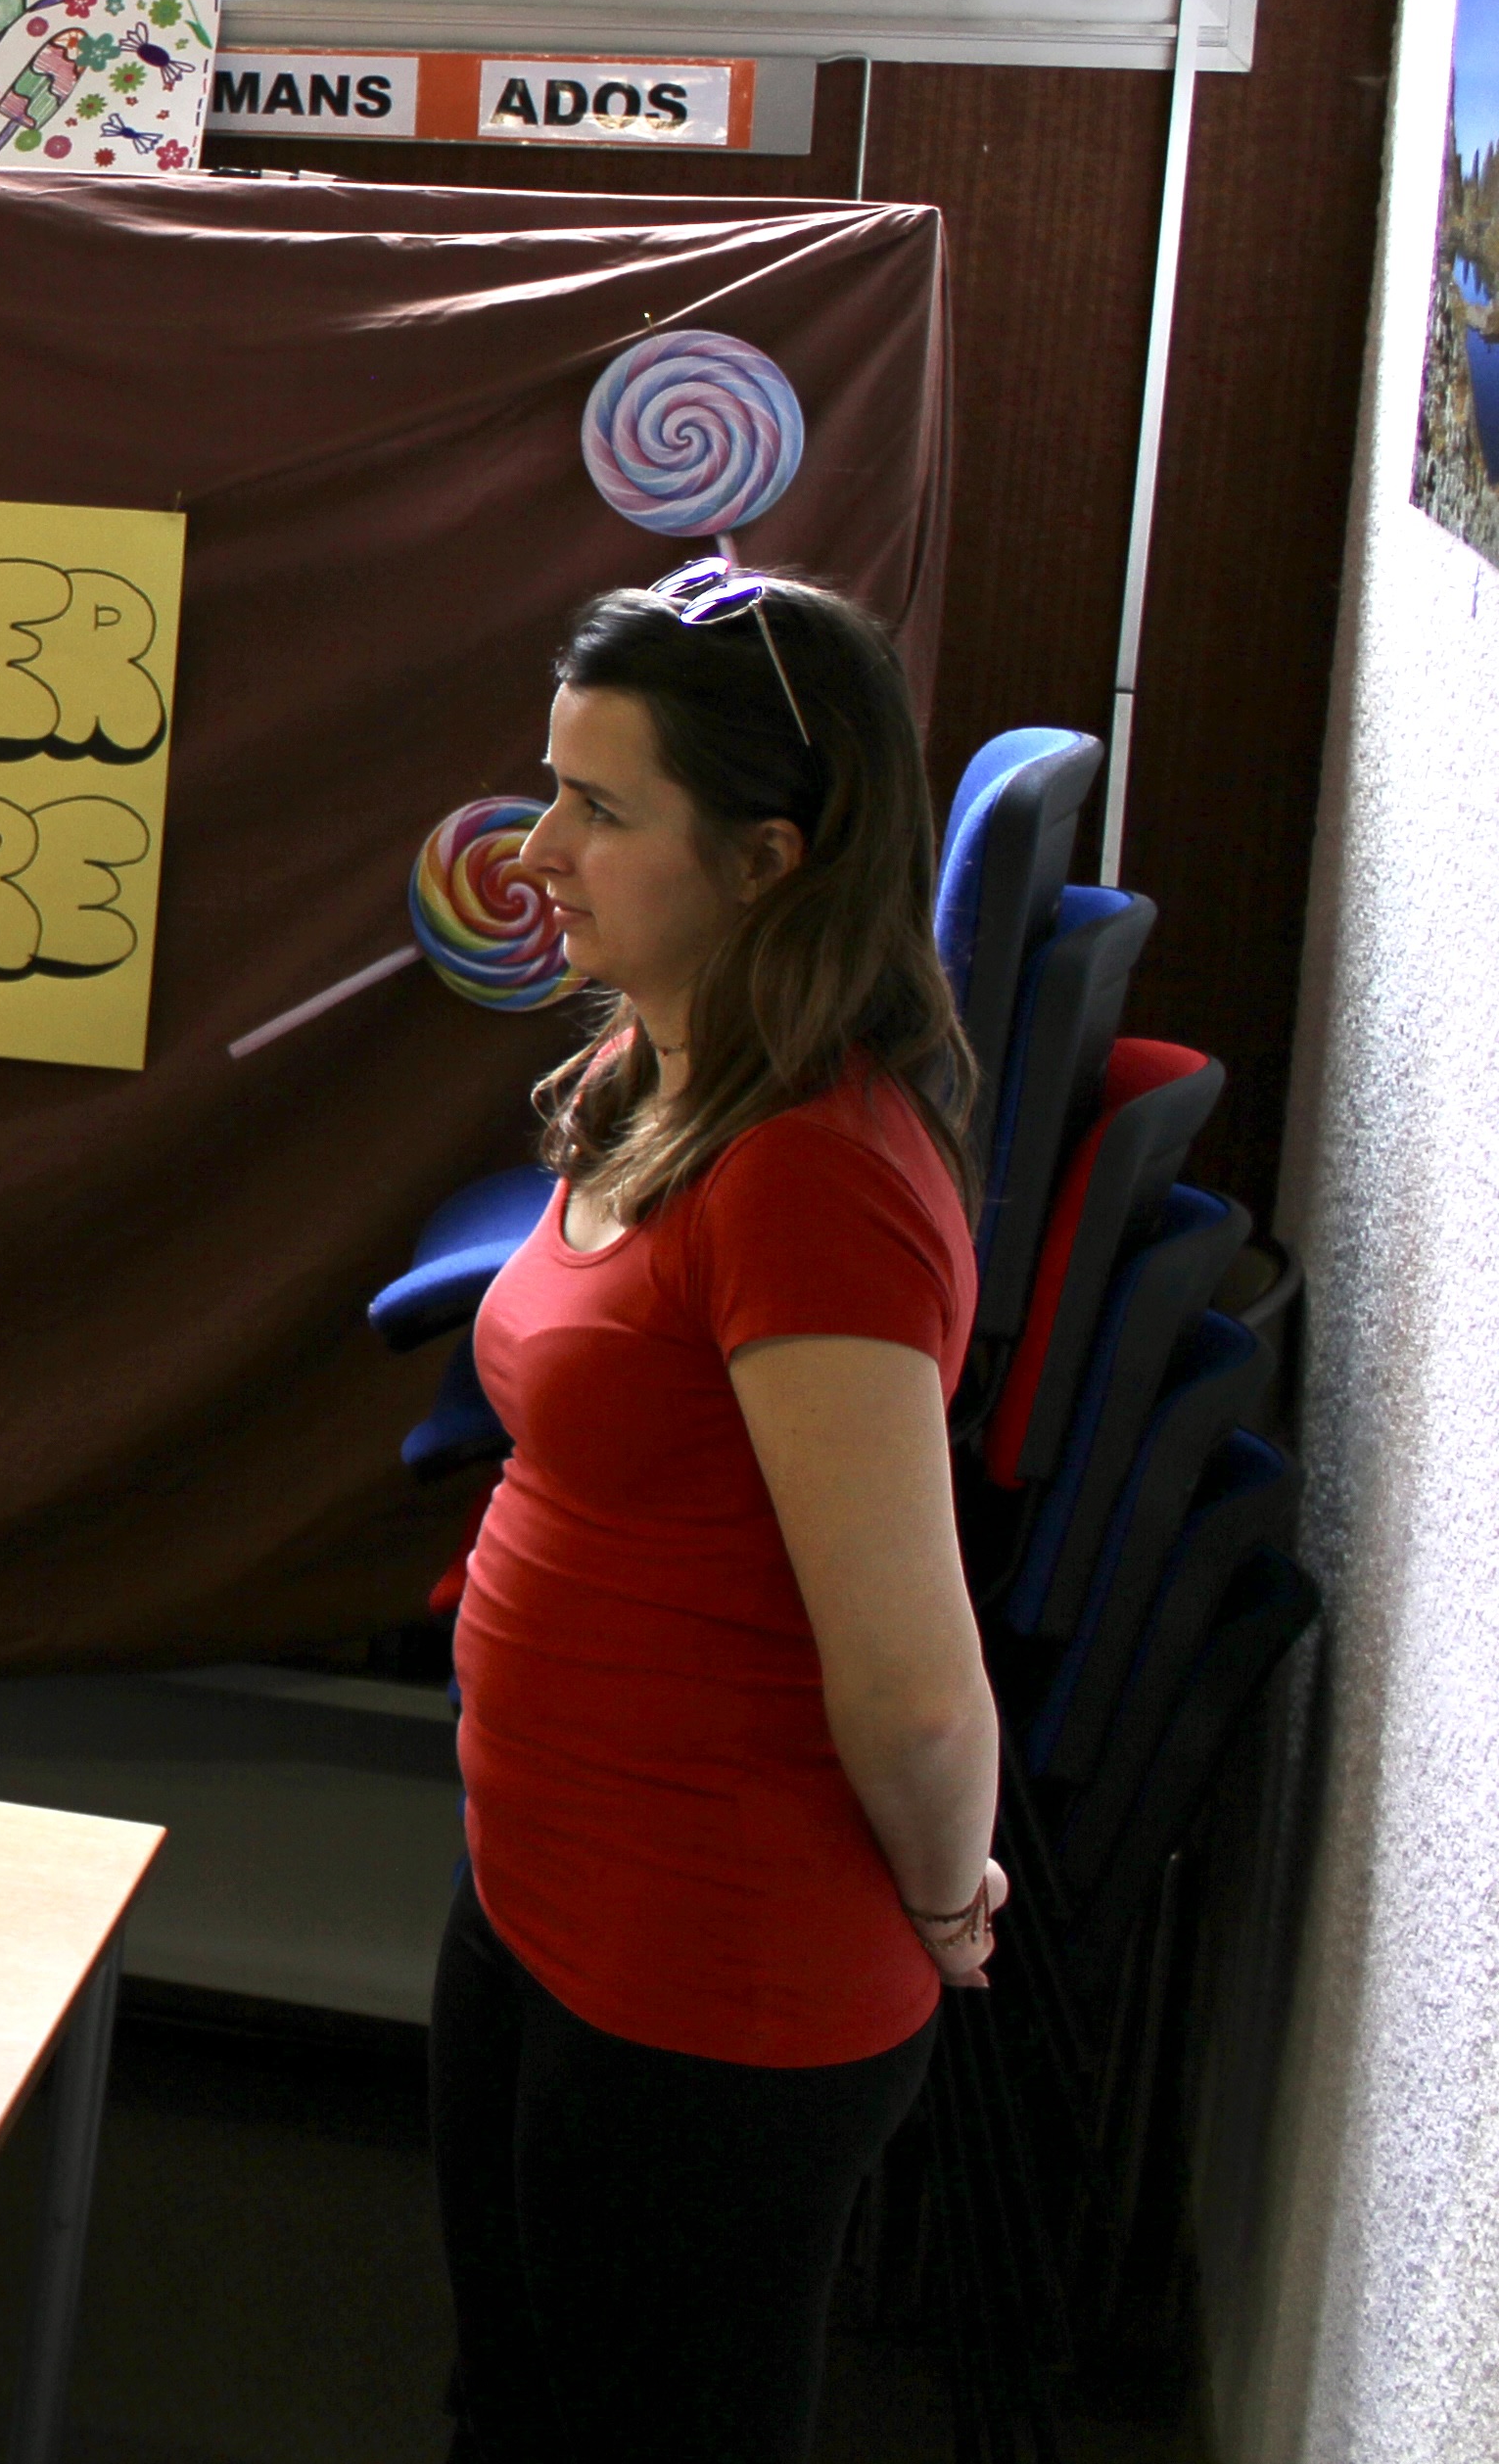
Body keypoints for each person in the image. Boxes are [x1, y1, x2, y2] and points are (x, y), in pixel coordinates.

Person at [436, 560, 1001, 2464]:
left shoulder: (817, 1180)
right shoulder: (652, 1059)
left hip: (711, 1973)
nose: (536, 853)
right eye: (550, 787)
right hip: (547, 1899)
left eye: (603, 810)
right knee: (518, 2408)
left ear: (770, 859)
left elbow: (915, 1686)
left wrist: (945, 1889)